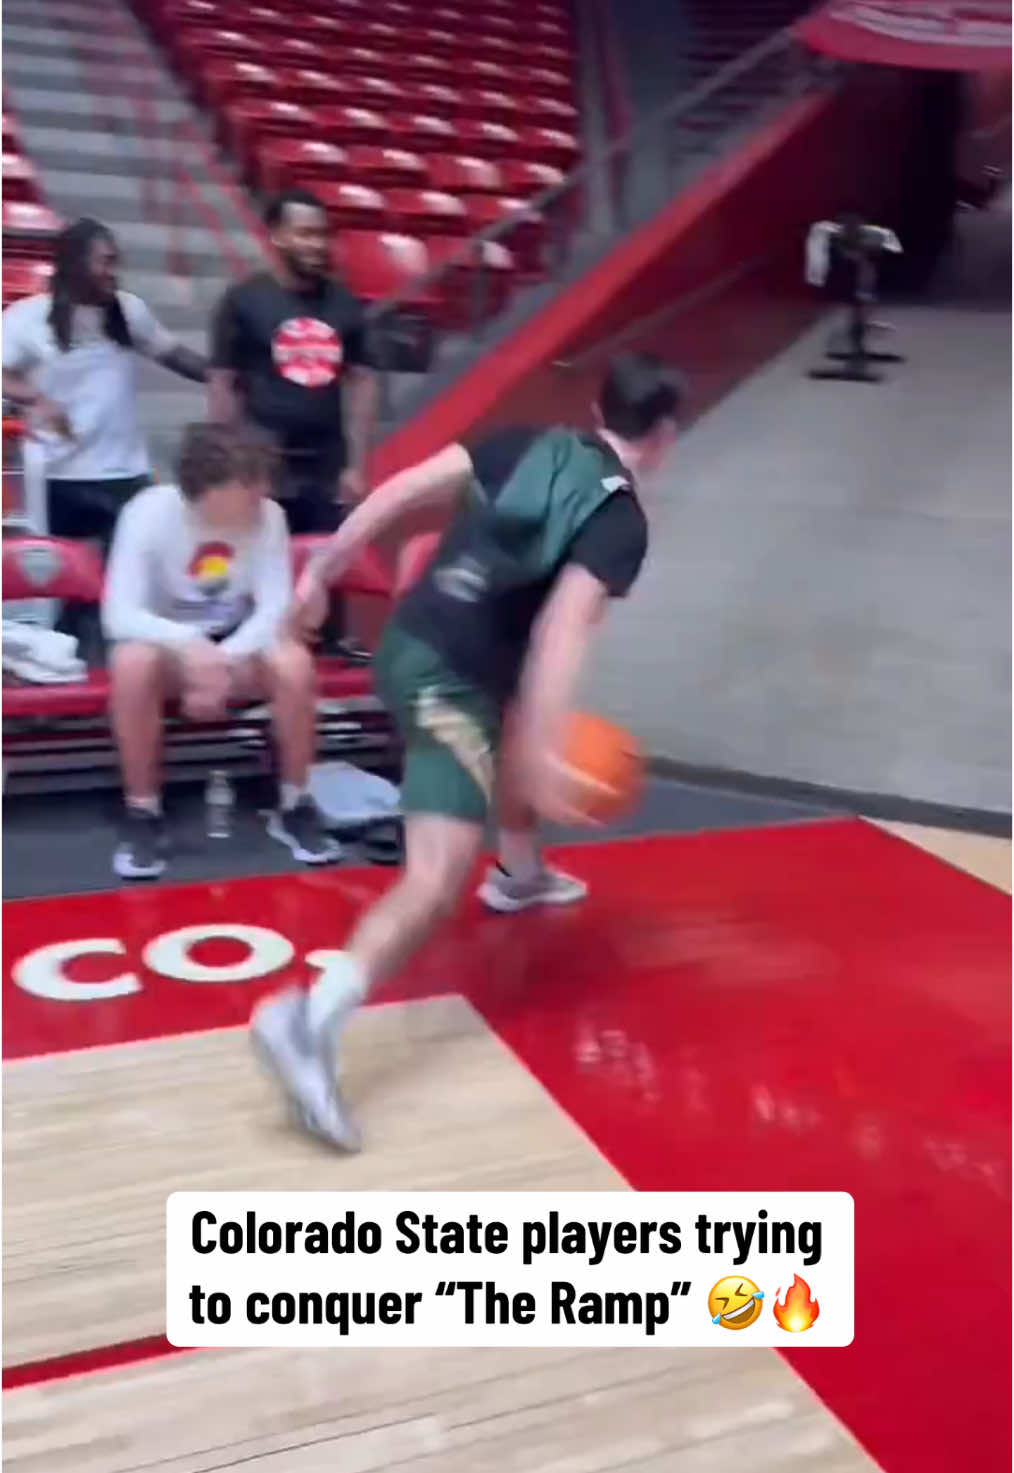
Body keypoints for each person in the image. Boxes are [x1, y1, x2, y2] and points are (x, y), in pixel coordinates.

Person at [250, 351, 683, 1149]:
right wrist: (549, 752)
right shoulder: (622, 524)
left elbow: (400, 488)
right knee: (437, 876)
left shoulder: (522, 441)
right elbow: (559, 635)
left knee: (512, 717)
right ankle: (308, 1023)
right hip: (451, 681)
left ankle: (522, 872)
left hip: (411, 640)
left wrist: (325, 571)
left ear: (597, 406)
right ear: (663, 435)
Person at [101, 421, 341, 881]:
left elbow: (273, 607)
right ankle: (143, 811)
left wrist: (222, 663)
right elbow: (119, 614)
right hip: (168, 647)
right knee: (131, 662)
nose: (264, 491)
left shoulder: (269, 515)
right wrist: (192, 648)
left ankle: (294, 804)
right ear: (210, 488)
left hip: (237, 645)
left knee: (294, 663)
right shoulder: (147, 513)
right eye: (250, 482)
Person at [208, 188, 377, 660]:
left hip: (327, 461)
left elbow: (362, 383)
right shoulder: (243, 301)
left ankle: (327, 665)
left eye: (322, 234)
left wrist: (358, 463)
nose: (317, 244)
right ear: (277, 237)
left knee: (328, 565)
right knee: (258, 567)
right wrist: (222, 459)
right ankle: (252, 667)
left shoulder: (345, 304)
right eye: (305, 233)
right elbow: (224, 383)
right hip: (263, 459)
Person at [1, 217, 207, 554]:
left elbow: (176, 356)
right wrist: (34, 397)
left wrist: (225, 373)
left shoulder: (128, 311)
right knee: (71, 584)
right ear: (75, 264)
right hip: (59, 476)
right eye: (105, 261)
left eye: (115, 261)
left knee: (130, 575)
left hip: (126, 473)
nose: (114, 270)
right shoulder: (26, 318)